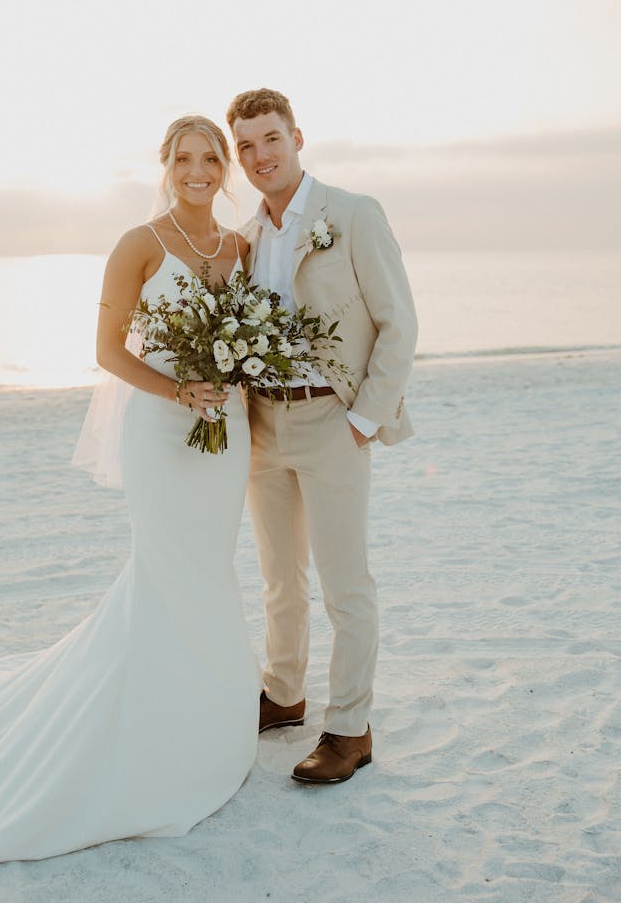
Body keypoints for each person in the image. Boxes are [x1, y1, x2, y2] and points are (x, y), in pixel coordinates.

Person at [0, 115, 259, 871]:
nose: (198, 171)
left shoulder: (238, 248)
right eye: (184, 159)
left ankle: (211, 720)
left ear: (225, 168)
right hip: (161, 432)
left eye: (211, 159)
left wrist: (229, 386)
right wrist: (182, 391)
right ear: (165, 166)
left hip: (223, 435)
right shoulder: (138, 244)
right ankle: (152, 730)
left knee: (211, 569)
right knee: (166, 571)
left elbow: (253, 334)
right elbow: (106, 351)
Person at [227, 88, 418, 785]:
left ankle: (349, 728)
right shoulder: (245, 238)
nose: (258, 156)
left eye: (269, 138)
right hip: (262, 425)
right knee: (281, 579)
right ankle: (283, 695)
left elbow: (400, 322)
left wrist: (366, 416)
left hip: (333, 420)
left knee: (345, 584)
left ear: (297, 136)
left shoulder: (353, 214)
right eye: (245, 146)